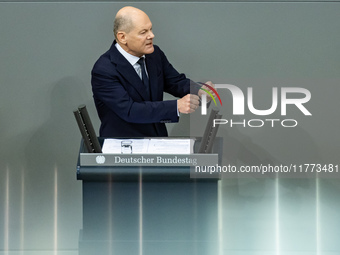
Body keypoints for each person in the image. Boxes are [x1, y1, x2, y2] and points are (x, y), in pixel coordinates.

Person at [91, 6, 213, 137]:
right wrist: (177, 106)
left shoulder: (155, 55)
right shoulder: (104, 70)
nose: (152, 35)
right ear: (122, 37)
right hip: (123, 149)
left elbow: (175, 82)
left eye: (151, 29)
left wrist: (199, 90)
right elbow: (130, 110)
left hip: (157, 143)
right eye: (143, 32)